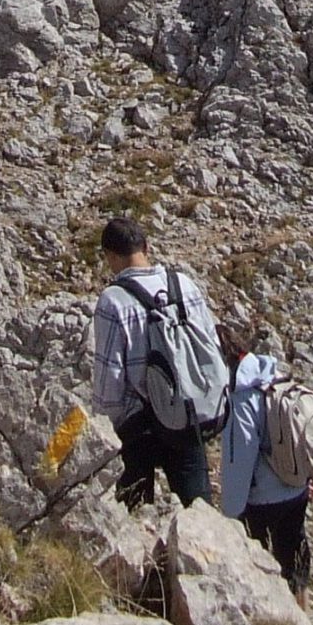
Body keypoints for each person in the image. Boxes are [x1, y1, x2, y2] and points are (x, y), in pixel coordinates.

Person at [89, 214, 216, 509]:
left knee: (132, 513)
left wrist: (107, 428)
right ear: (146, 247)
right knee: (199, 509)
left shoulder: (113, 300)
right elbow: (211, 343)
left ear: (110, 255)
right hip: (188, 413)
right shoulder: (183, 284)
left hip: (139, 426)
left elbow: (110, 377)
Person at [221, 335, 313, 597]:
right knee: (294, 557)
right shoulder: (277, 378)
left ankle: (267, 613)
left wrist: (230, 517)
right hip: (297, 489)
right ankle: (301, 615)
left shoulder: (242, 401)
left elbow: (239, 462)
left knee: (259, 568)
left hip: (262, 500)